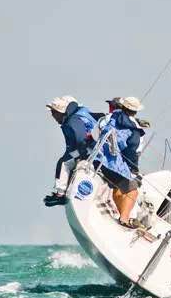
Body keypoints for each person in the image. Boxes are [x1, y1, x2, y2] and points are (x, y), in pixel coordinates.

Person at [93, 96, 148, 225]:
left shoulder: (111, 117)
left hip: (98, 159)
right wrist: (134, 169)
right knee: (132, 191)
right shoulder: (135, 130)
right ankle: (124, 219)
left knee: (117, 189)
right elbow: (132, 152)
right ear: (136, 111)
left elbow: (96, 134)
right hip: (113, 166)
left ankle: (122, 214)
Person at [44, 96, 99, 207]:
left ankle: (60, 194)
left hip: (87, 149)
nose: (53, 115)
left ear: (61, 111)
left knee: (63, 162)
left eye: (54, 112)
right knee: (68, 158)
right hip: (92, 148)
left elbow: (80, 139)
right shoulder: (81, 113)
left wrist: (79, 155)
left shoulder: (73, 121)